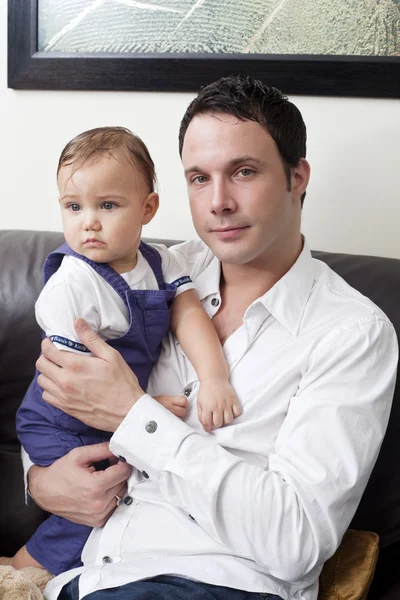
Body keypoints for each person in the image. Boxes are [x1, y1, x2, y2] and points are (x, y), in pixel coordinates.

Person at [24, 76, 398, 600]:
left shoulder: (352, 334)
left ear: (297, 178)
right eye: (199, 178)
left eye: (243, 172)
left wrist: (133, 416)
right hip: (90, 577)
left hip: (219, 583)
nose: (218, 201)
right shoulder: (152, 270)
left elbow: (297, 542)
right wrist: (40, 481)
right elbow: (57, 390)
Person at [10, 127, 241, 577]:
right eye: (74, 207)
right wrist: (143, 409)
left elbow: (190, 316)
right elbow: (74, 380)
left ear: (148, 208)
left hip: (109, 410)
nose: (88, 222)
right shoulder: (72, 285)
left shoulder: (163, 262)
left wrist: (214, 377)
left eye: (108, 206)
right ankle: (21, 572)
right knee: (102, 496)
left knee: (132, 481)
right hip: (59, 414)